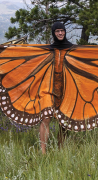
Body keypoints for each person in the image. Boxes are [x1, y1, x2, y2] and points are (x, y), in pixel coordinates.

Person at [39, 22, 73, 154]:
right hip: (49, 89)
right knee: (46, 118)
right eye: (57, 31)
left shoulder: (71, 49)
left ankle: (61, 148)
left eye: (62, 31)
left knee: (64, 121)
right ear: (54, 33)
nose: (60, 33)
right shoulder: (48, 49)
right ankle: (42, 152)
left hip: (66, 88)